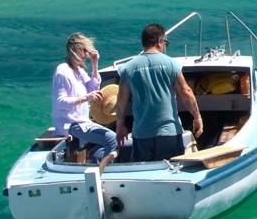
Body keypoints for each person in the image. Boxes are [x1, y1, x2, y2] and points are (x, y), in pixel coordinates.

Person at [115, 22, 203, 162]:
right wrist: (197, 117)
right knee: (171, 171)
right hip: (169, 132)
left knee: (144, 174)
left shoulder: (128, 68)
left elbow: (121, 101)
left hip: (141, 134)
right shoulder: (171, 64)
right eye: (165, 43)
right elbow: (186, 92)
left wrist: (120, 126)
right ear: (159, 41)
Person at [51, 32, 119, 168]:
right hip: (71, 124)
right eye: (84, 51)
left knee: (108, 138)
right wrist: (86, 98)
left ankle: (95, 163)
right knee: (112, 139)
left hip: (82, 122)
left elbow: (92, 87)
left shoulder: (79, 71)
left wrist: (95, 64)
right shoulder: (63, 71)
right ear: (74, 50)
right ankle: (104, 169)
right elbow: (60, 102)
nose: (86, 54)